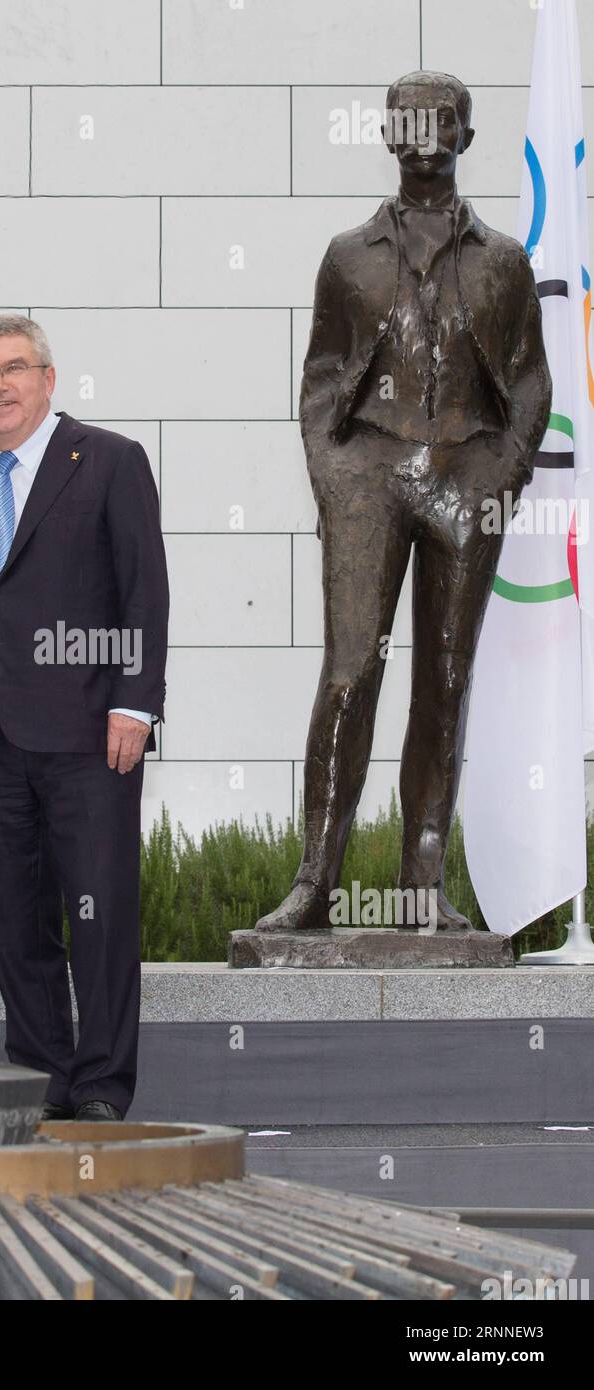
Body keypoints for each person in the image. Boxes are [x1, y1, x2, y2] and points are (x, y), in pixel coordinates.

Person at [258, 71, 552, 932]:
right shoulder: (348, 254)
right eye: (408, 120)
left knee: (446, 679)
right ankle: (315, 882)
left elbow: (530, 381)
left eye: (443, 119)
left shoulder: (502, 259)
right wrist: (335, 474)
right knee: (350, 671)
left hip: (467, 472)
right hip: (370, 475)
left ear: (465, 134)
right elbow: (319, 379)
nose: (425, 133)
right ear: (387, 135)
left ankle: (421, 885)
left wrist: (501, 472)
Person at [0, 314, 169, 1120]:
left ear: (47, 377)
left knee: (98, 916)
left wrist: (135, 702)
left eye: (11, 368)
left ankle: (103, 1089)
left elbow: (144, 590)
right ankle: (41, 1079)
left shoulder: (109, 461)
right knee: (12, 917)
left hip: (89, 733)